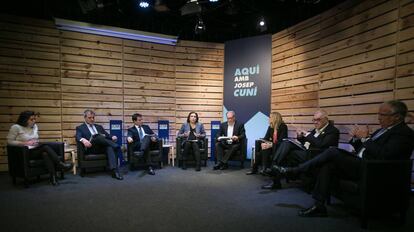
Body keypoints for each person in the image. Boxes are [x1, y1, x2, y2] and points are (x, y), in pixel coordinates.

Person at [275, 100, 414, 217]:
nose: (379, 118)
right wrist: (356, 140)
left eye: (382, 114)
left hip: (373, 170)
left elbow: (384, 155)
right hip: (361, 162)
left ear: (397, 117)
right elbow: (364, 149)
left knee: (332, 152)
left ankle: (294, 170)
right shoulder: (382, 130)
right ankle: (319, 206)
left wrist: (365, 138)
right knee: (328, 164)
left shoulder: (404, 133)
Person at [262, 109, 339, 189]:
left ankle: (273, 169)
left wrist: (307, 134)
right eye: (314, 120)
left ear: (326, 119)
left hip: (316, 155)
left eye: (318, 120)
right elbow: (307, 142)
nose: (315, 122)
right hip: (306, 151)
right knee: (286, 143)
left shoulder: (332, 131)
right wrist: (300, 137)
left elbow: (321, 144)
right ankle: (275, 176)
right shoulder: (316, 130)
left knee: (286, 150)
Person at [7, 111, 72, 186]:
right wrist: (25, 143)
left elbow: (36, 138)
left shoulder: (35, 126)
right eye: (31, 119)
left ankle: (53, 177)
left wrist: (35, 142)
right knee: (45, 147)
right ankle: (61, 165)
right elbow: (9, 142)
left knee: (45, 153)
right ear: (24, 119)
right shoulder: (16, 127)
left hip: (35, 150)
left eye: (34, 119)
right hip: (24, 153)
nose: (34, 121)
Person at [75, 109, 123, 180]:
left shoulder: (99, 127)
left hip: (101, 148)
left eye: (93, 117)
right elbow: (77, 136)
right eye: (90, 118)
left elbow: (107, 135)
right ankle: (116, 146)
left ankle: (114, 171)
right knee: (97, 136)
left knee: (109, 147)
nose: (92, 119)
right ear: (85, 118)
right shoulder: (80, 128)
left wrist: (112, 136)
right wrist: (83, 140)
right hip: (91, 148)